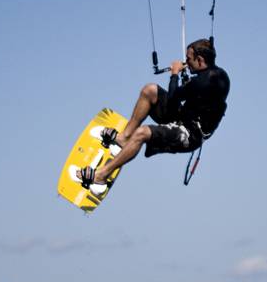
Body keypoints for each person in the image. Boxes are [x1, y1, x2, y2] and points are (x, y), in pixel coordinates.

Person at [79, 38, 229, 193]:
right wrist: (187, 82)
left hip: (190, 135)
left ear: (200, 60)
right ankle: (124, 137)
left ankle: (101, 175)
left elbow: (173, 97)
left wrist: (175, 73)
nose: (186, 62)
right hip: (185, 116)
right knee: (149, 90)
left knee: (142, 133)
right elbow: (196, 96)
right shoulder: (221, 76)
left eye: (189, 59)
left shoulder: (200, 82)